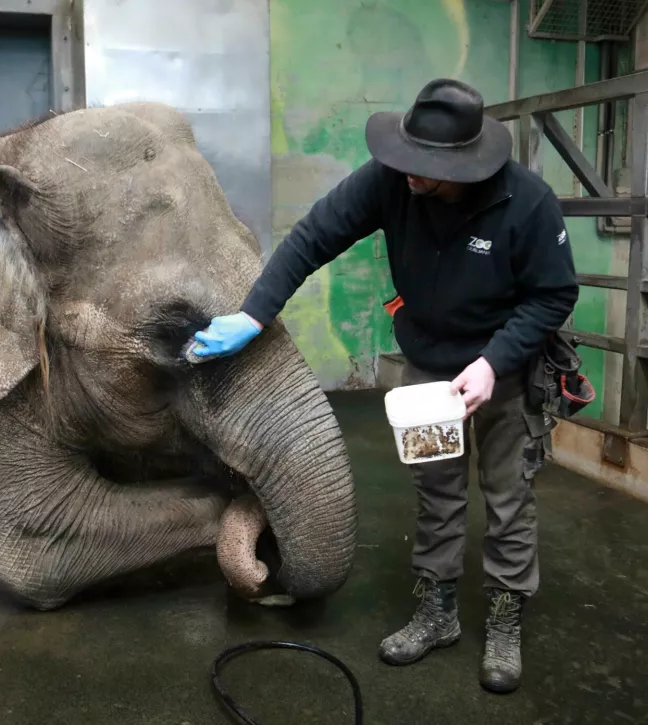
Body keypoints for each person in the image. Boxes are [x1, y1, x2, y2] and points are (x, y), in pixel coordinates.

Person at [190, 78, 579, 694]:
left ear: (464, 166)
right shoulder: (392, 178)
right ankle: (437, 610)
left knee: (507, 496)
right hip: (429, 369)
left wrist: (495, 361)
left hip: (505, 370)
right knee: (438, 490)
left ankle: (506, 615)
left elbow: (555, 294)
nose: (406, 175)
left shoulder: (527, 203)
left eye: (423, 168)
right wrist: (255, 311)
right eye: (403, 160)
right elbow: (313, 236)